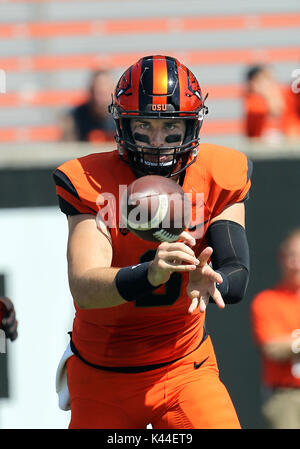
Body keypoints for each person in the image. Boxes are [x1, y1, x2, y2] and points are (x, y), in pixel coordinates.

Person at [53, 55, 252, 429]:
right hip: (103, 373)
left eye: (171, 127)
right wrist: (151, 274)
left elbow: (236, 271)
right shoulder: (90, 181)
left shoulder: (216, 172)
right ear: (122, 124)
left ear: (192, 125)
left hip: (185, 367)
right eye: (144, 125)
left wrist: (216, 278)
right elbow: (85, 286)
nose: (157, 142)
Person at [251, 229, 300, 429]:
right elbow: (273, 348)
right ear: (282, 259)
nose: (296, 264)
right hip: (286, 396)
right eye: (292, 256)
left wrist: (291, 343)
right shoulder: (267, 301)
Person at [60, 69, 115, 143]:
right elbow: (67, 147)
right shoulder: (75, 117)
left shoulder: (121, 118)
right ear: (91, 91)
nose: (100, 98)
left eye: (104, 92)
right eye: (98, 92)